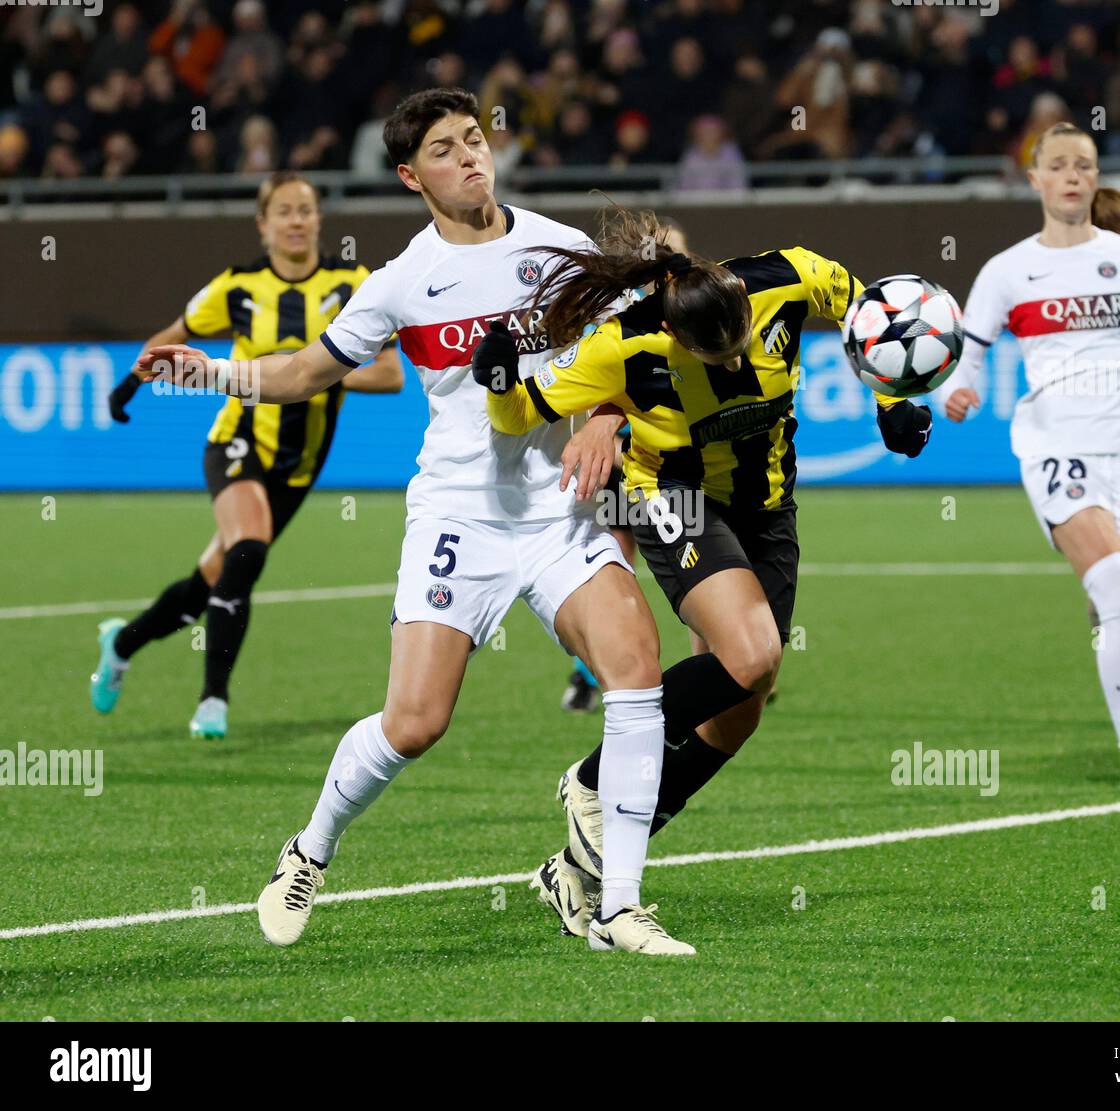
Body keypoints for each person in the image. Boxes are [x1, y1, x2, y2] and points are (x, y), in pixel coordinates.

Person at [135, 88, 706, 956]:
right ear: (410, 174)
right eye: (445, 148)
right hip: (460, 517)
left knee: (636, 672)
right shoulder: (400, 282)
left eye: (476, 139)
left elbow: (634, 353)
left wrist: (603, 418)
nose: (470, 156)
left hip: (558, 512)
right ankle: (309, 850)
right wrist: (211, 375)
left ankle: (617, 905)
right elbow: (302, 373)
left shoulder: (562, 248)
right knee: (415, 723)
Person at [477, 204, 934, 939]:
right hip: (674, 498)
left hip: (768, 508)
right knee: (752, 653)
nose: (731, 362)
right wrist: (499, 381)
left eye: (739, 347)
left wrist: (892, 398)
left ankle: (582, 865)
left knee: (738, 712)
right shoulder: (620, 346)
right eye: (709, 357)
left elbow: (859, 305)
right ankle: (594, 779)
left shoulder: (785, 276)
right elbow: (518, 412)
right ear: (673, 335)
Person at [934, 121, 1120, 796]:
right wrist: (957, 390)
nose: (1071, 176)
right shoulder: (1006, 270)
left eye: (1082, 165)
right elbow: (963, 361)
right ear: (1035, 179)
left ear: (1094, 177)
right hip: (1058, 449)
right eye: (1057, 165)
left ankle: (1109, 613)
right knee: (1118, 586)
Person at [92, 171, 403, 740]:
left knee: (208, 583)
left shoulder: (353, 283)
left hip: (301, 464)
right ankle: (213, 698)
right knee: (249, 549)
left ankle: (122, 643)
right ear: (263, 225)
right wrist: (128, 386)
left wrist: (310, 373)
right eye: (283, 211)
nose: (296, 220)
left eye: (305, 209)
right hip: (236, 441)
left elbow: (389, 375)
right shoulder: (236, 286)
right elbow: (172, 334)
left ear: (319, 219)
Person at [560, 216, 690, 714]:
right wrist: (605, 425)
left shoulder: (690, 315)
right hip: (619, 463)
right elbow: (585, 383)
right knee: (614, 562)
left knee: (694, 565)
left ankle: (725, 670)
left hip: (676, 467)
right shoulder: (611, 321)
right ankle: (589, 675)